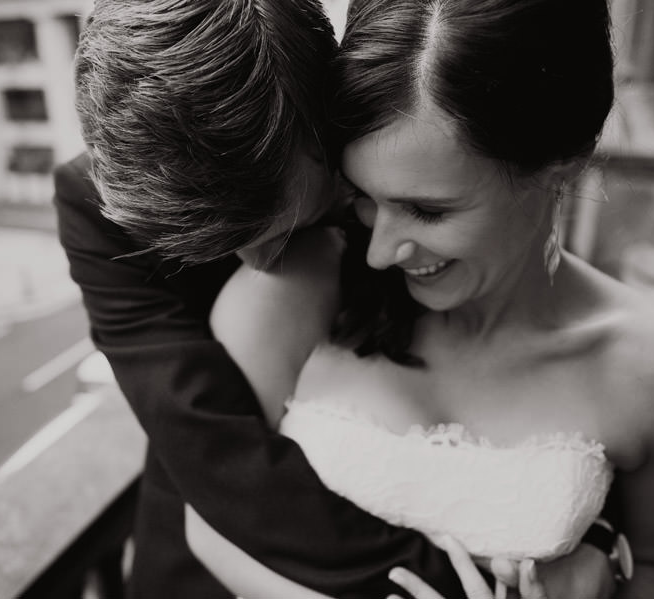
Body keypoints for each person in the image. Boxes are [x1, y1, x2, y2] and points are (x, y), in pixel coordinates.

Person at [186, 0, 654, 598]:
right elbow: (209, 522)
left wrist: (607, 571)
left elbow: (648, 569)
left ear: (563, 167)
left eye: (426, 210)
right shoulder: (291, 291)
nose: (377, 253)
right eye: (363, 196)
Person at [58, 0, 470, 596]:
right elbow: (216, 451)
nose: (257, 266)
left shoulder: (398, 121)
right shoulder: (89, 205)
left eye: (283, 228)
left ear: (325, 118)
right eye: (214, 248)